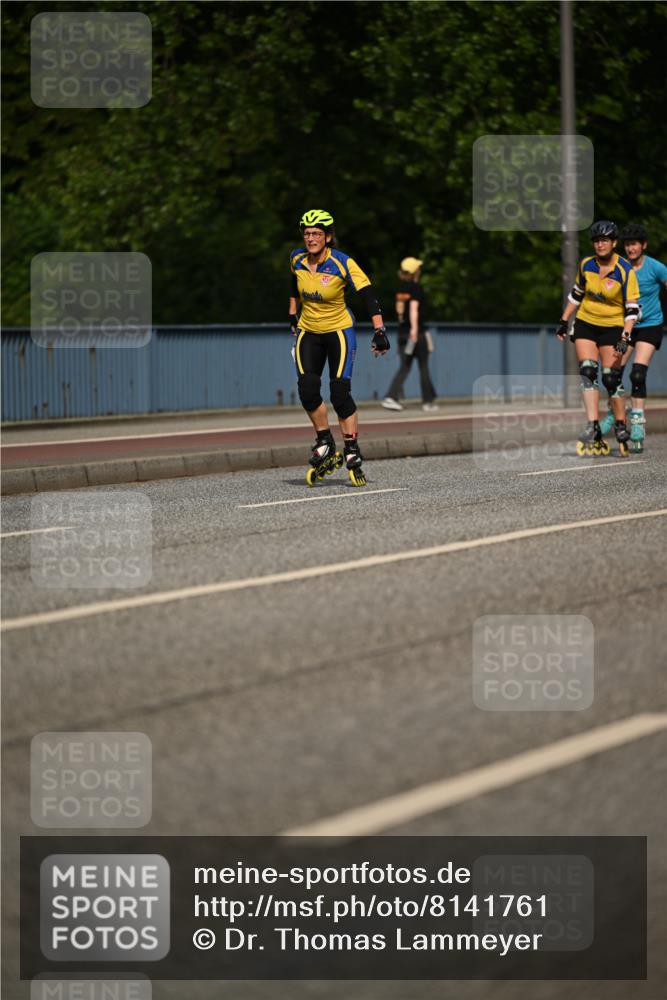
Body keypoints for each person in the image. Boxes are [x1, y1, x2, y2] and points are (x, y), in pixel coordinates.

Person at [289, 209, 390, 487]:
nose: (310, 238)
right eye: (307, 233)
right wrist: (291, 314)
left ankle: (352, 449)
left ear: (328, 237)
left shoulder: (342, 262)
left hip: (339, 332)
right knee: (307, 389)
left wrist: (379, 329)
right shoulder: (296, 258)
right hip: (308, 331)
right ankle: (324, 441)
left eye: (316, 234)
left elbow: (367, 293)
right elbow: (294, 285)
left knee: (339, 393)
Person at [556, 219, 640, 456]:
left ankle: (621, 424)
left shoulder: (624, 269)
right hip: (586, 322)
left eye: (604, 240)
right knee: (588, 373)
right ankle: (593, 425)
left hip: (613, 326)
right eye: (596, 240)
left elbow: (632, 308)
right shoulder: (586, 265)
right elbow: (577, 293)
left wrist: (625, 336)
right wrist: (564, 320)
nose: (600, 244)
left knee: (610, 378)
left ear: (614, 243)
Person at [609, 223, 667, 452]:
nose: (630, 248)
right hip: (627, 327)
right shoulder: (620, 267)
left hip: (650, 325)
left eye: (634, 244)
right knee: (613, 375)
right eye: (627, 244)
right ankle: (614, 412)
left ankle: (638, 421)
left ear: (643, 245)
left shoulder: (656, 267)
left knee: (637, 373)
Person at [382, 257, 438, 412]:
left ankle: (391, 397)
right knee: (423, 366)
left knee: (405, 367)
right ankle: (428, 402)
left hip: (402, 332)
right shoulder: (415, 288)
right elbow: (414, 309)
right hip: (416, 334)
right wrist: (414, 330)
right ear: (415, 271)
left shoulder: (400, 289)